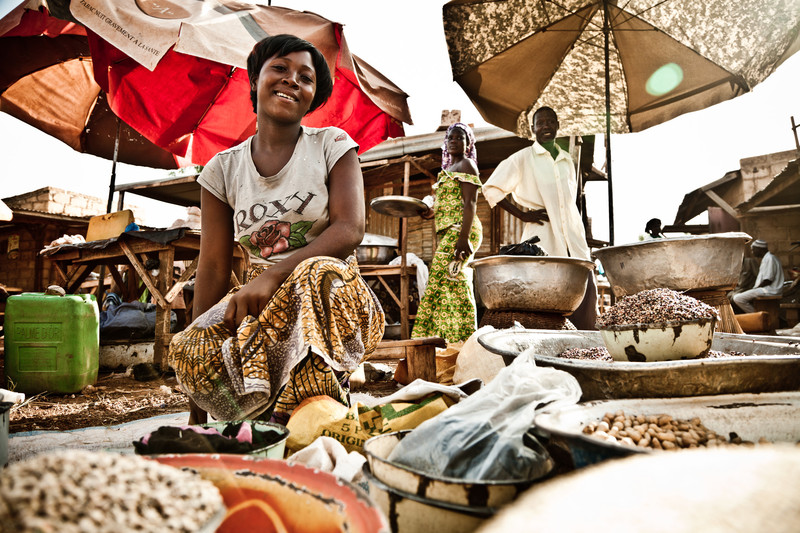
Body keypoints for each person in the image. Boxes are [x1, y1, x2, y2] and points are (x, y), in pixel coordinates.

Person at [168, 34, 384, 425]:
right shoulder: (222, 169)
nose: (292, 80)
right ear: (255, 80)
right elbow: (214, 267)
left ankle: (320, 416)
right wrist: (197, 412)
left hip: (334, 291)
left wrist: (272, 276)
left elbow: (350, 228)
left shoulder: (332, 144)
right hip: (260, 303)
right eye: (280, 68)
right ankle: (259, 415)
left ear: (312, 97)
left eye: (306, 78)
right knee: (189, 345)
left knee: (315, 274)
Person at [482, 106, 597, 329]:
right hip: (543, 237)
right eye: (540, 123)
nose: (545, 126)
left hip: (574, 239)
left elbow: (569, 202)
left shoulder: (566, 161)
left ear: (557, 126)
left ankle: (586, 349)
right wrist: (522, 215)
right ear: (533, 129)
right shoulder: (523, 158)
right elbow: (491, 188)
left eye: (550, 122)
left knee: (586, 296)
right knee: (548, 302)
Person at [412, 122, 483, 343]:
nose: (454, 141)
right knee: (443, 283)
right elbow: (445, 205)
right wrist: (428, 213)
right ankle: (441, 339)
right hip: (448, 232)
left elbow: (470, 203)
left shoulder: (467, 164)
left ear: (468, 143)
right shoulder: (445, 173)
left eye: (460, 138)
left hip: (462, 232)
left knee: (453, 281)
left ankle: (463, 341)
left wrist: (463, 239)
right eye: (451, 137)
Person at [732, 239, 784, 313]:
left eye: (753, 250)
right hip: (767, 289)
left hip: (770, 290)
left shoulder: (770, 258)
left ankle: (756, 315)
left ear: (759, 249)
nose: (753, 252)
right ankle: (758, 315)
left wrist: (756, 289)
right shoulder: (767, 258)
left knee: (738, 298)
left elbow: (768, 280)